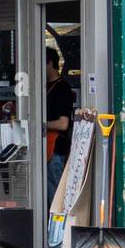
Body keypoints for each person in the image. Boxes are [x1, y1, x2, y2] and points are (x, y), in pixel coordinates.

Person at [44, 47, 75, 201]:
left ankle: (58, 225)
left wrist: (43, 124)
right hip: (47, 149)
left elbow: (63, 124)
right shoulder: (43, 87)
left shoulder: (62, 89)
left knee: (56, 195)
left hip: (56, 150)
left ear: (50, 64)